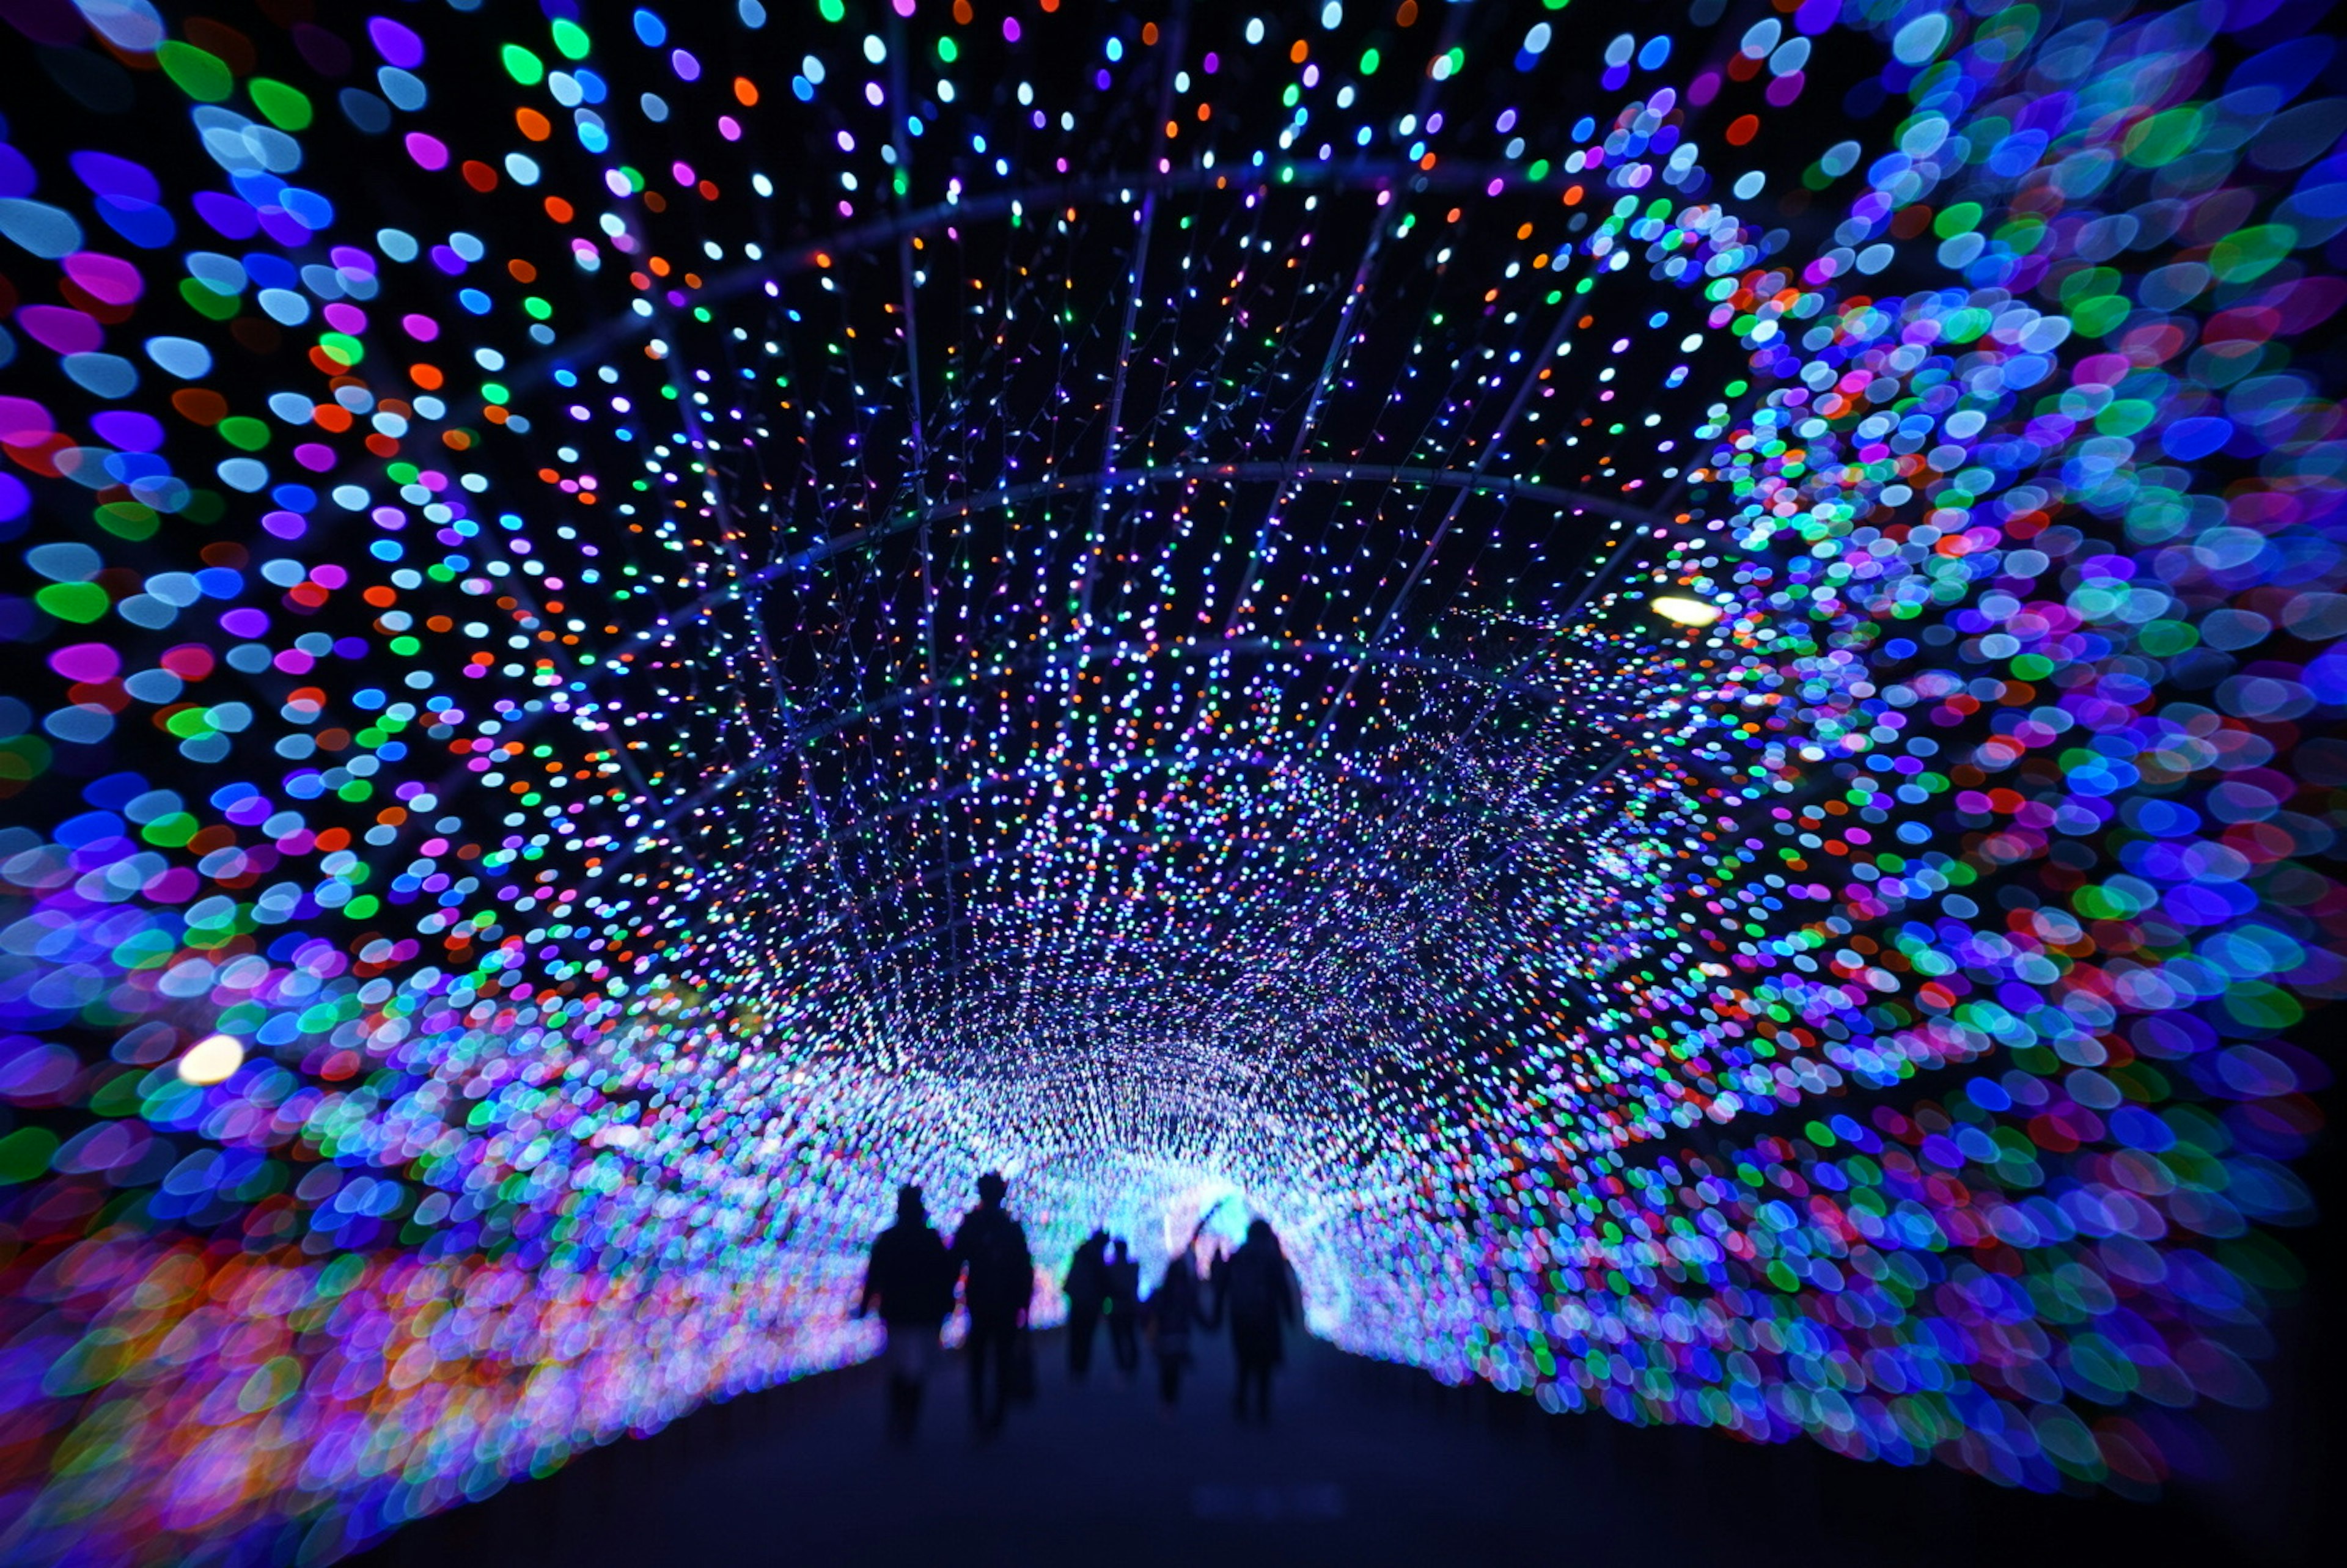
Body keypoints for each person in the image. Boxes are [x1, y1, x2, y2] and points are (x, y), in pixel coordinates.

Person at [853, 1184, 958, 1438]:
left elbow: (874, 1274)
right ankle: (909, 1417)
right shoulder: (931, 1238)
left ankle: (898, 1414)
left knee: (898, 1364)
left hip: (896, 1312)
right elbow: (944, 1276)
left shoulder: (889, 1238)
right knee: (917, 1366)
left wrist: (866, 1306)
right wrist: (946, 1306)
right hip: (924, 1313)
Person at [950, 1170, 1034, 1432]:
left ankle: (979, 1413)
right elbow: (1024, 1269)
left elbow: (955, 1261)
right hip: (1006, 1303)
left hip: (980, 1300)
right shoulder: (1011, 1228)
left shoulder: (972, 1225)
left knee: (979, 1358)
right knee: (1002, 1357)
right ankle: (997, 1414)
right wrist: (1024, 1305)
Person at [1221, 1218, 1297, 1423]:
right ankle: (1263, 1408)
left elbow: (1224, 1284)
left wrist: (1217, 1313)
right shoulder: (1271, 1257)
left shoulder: (1238, 1255)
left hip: (1240, 1316)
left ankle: (1241, 1403)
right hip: (1266, 1317)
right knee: (1264, 1364)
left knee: (1244, 1361)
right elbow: (1282, 1287)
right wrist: (1290, 1315)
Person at [1146, 1243, 1218, 1409]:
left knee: (1167, 1369)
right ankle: (1171, 1400)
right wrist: (1210, 1325)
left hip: (1165, 1337)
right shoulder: (1187, 1294)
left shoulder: (1162, 1292)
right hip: (1180, 1337)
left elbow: (1152, 1311)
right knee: (1175, 1369)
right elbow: (1197, 1313)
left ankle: (1166, 1400)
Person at [1063, 1229, 1110, 1380]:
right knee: (1086, 1336)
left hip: (1078, 1300)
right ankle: (1082, 1367)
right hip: (1090, 1303)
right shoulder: (1097, 1258)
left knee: (1076, 1334)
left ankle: (1075, 1366)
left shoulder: (1081, 1253)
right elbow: (1103, 1282)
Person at [1104, 1237, 1142, 1376]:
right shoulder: (1133, 1267)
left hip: (1116, 1308)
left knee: (1119, 1338)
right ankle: (1132, 1365)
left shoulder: (1110, 1268)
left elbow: (1108, 1288)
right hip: (1129, 1307)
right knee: (1130, 1336)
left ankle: (1123, 1365)